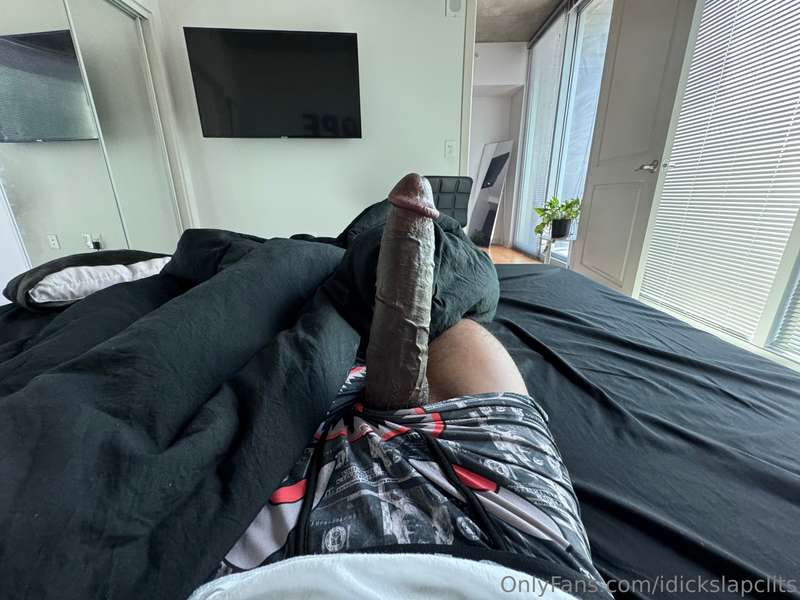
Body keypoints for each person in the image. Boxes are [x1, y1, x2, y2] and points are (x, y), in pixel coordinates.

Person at [190, 176, 611, 600]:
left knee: (329, 280)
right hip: (519, 566)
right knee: (462, 298)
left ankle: (381, 285)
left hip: (248, 572)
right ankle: (397, 286)